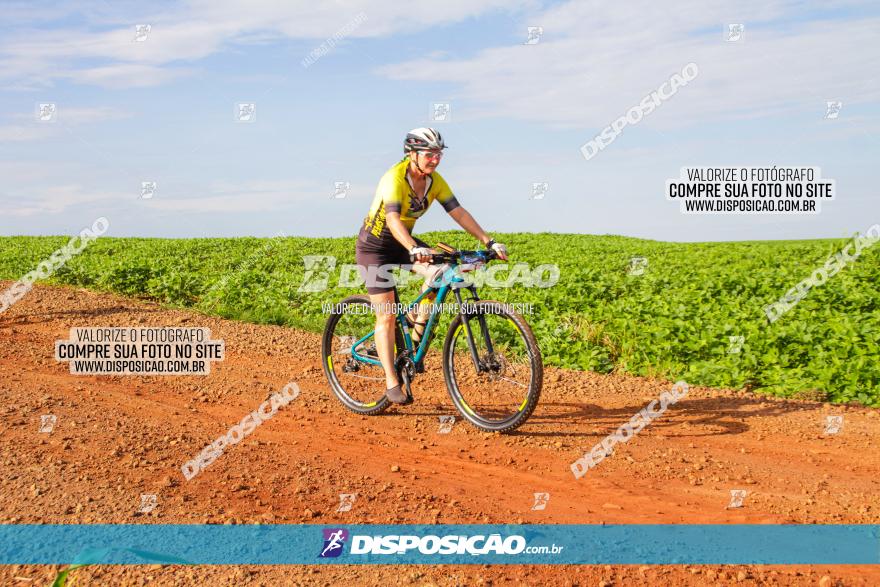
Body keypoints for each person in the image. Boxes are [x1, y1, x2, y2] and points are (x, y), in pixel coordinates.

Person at [355, 127, 508, 404]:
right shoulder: (394, 178)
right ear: (412, 154)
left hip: (405, 243)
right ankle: (391, 381)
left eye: (438, 154)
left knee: (440, 272)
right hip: (376, 247)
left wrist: (489, 241)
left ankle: (415, 325)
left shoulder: (434, 181)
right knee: (387, 314)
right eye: (429, 154)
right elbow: (392, 220)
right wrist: (414, 248)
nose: (435, 159)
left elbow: (457, 211)